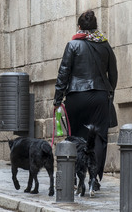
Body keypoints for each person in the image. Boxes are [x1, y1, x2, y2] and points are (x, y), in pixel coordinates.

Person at [53, 10, 118, 189]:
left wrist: (57, 100)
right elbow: (113, 74)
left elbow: (63, 73)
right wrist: (109, 93)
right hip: (99, 96)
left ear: (80, 27)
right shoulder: (105, 45)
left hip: (76, 96)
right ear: (95, 27)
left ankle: (75, 177)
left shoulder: (73, 45)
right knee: (98, 139)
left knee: (75, 137)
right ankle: (93, 179)